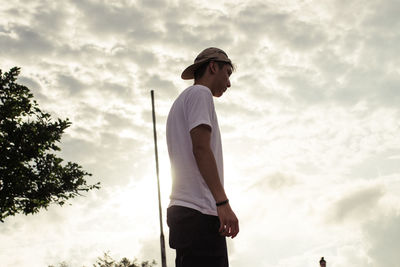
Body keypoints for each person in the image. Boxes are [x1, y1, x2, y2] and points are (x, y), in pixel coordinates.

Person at [166, 47, 239, 267]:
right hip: (199, 213)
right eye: (227, 73)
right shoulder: (200, 94)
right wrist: (222, 203)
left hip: (186, 214)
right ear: (213, 67)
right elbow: (201, 148)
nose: (228, 83)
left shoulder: (182, 100)